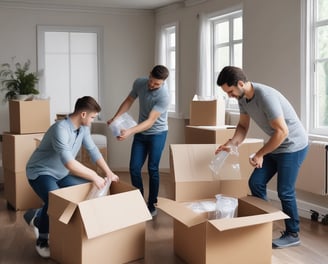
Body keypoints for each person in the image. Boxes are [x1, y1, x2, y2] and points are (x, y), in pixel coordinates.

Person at [215, 66, 308, 248]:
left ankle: (293, 233)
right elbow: (242, 127)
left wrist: (260, 154)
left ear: (240, 84)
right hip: (278, 144)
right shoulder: (243, 98)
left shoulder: (265, 96)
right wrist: (231, 144)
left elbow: (282, 132)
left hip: (293, 145)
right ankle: (266, 222)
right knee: (256, 182)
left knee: (285, 191)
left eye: (230, 91)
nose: (230, 96)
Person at [24, 96, 119, 258]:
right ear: (83, 114)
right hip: (40, 172)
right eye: (92, 117)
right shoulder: (60, 129)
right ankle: (42, 239)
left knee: (81, 192)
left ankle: (37, 216)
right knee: (54, 199)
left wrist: (108, 172)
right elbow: (69, 163)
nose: (92, 120)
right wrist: (95, 176)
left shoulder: (83, 129)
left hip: (60, 174)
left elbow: (93, 151)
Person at [107, 65, 169, 217]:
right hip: (140, 134)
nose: (153, 85)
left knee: (152, 168)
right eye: (152, 81)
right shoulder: (140, 83)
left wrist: (129, 131)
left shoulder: (164, 96)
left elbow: (150, 121)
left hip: (157, 134)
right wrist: (116, 118)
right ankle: (139, 200)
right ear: (149, 75)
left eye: (157, 84)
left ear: (163, 83)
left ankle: (152, 204)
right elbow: (128, 101)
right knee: (134, 168)